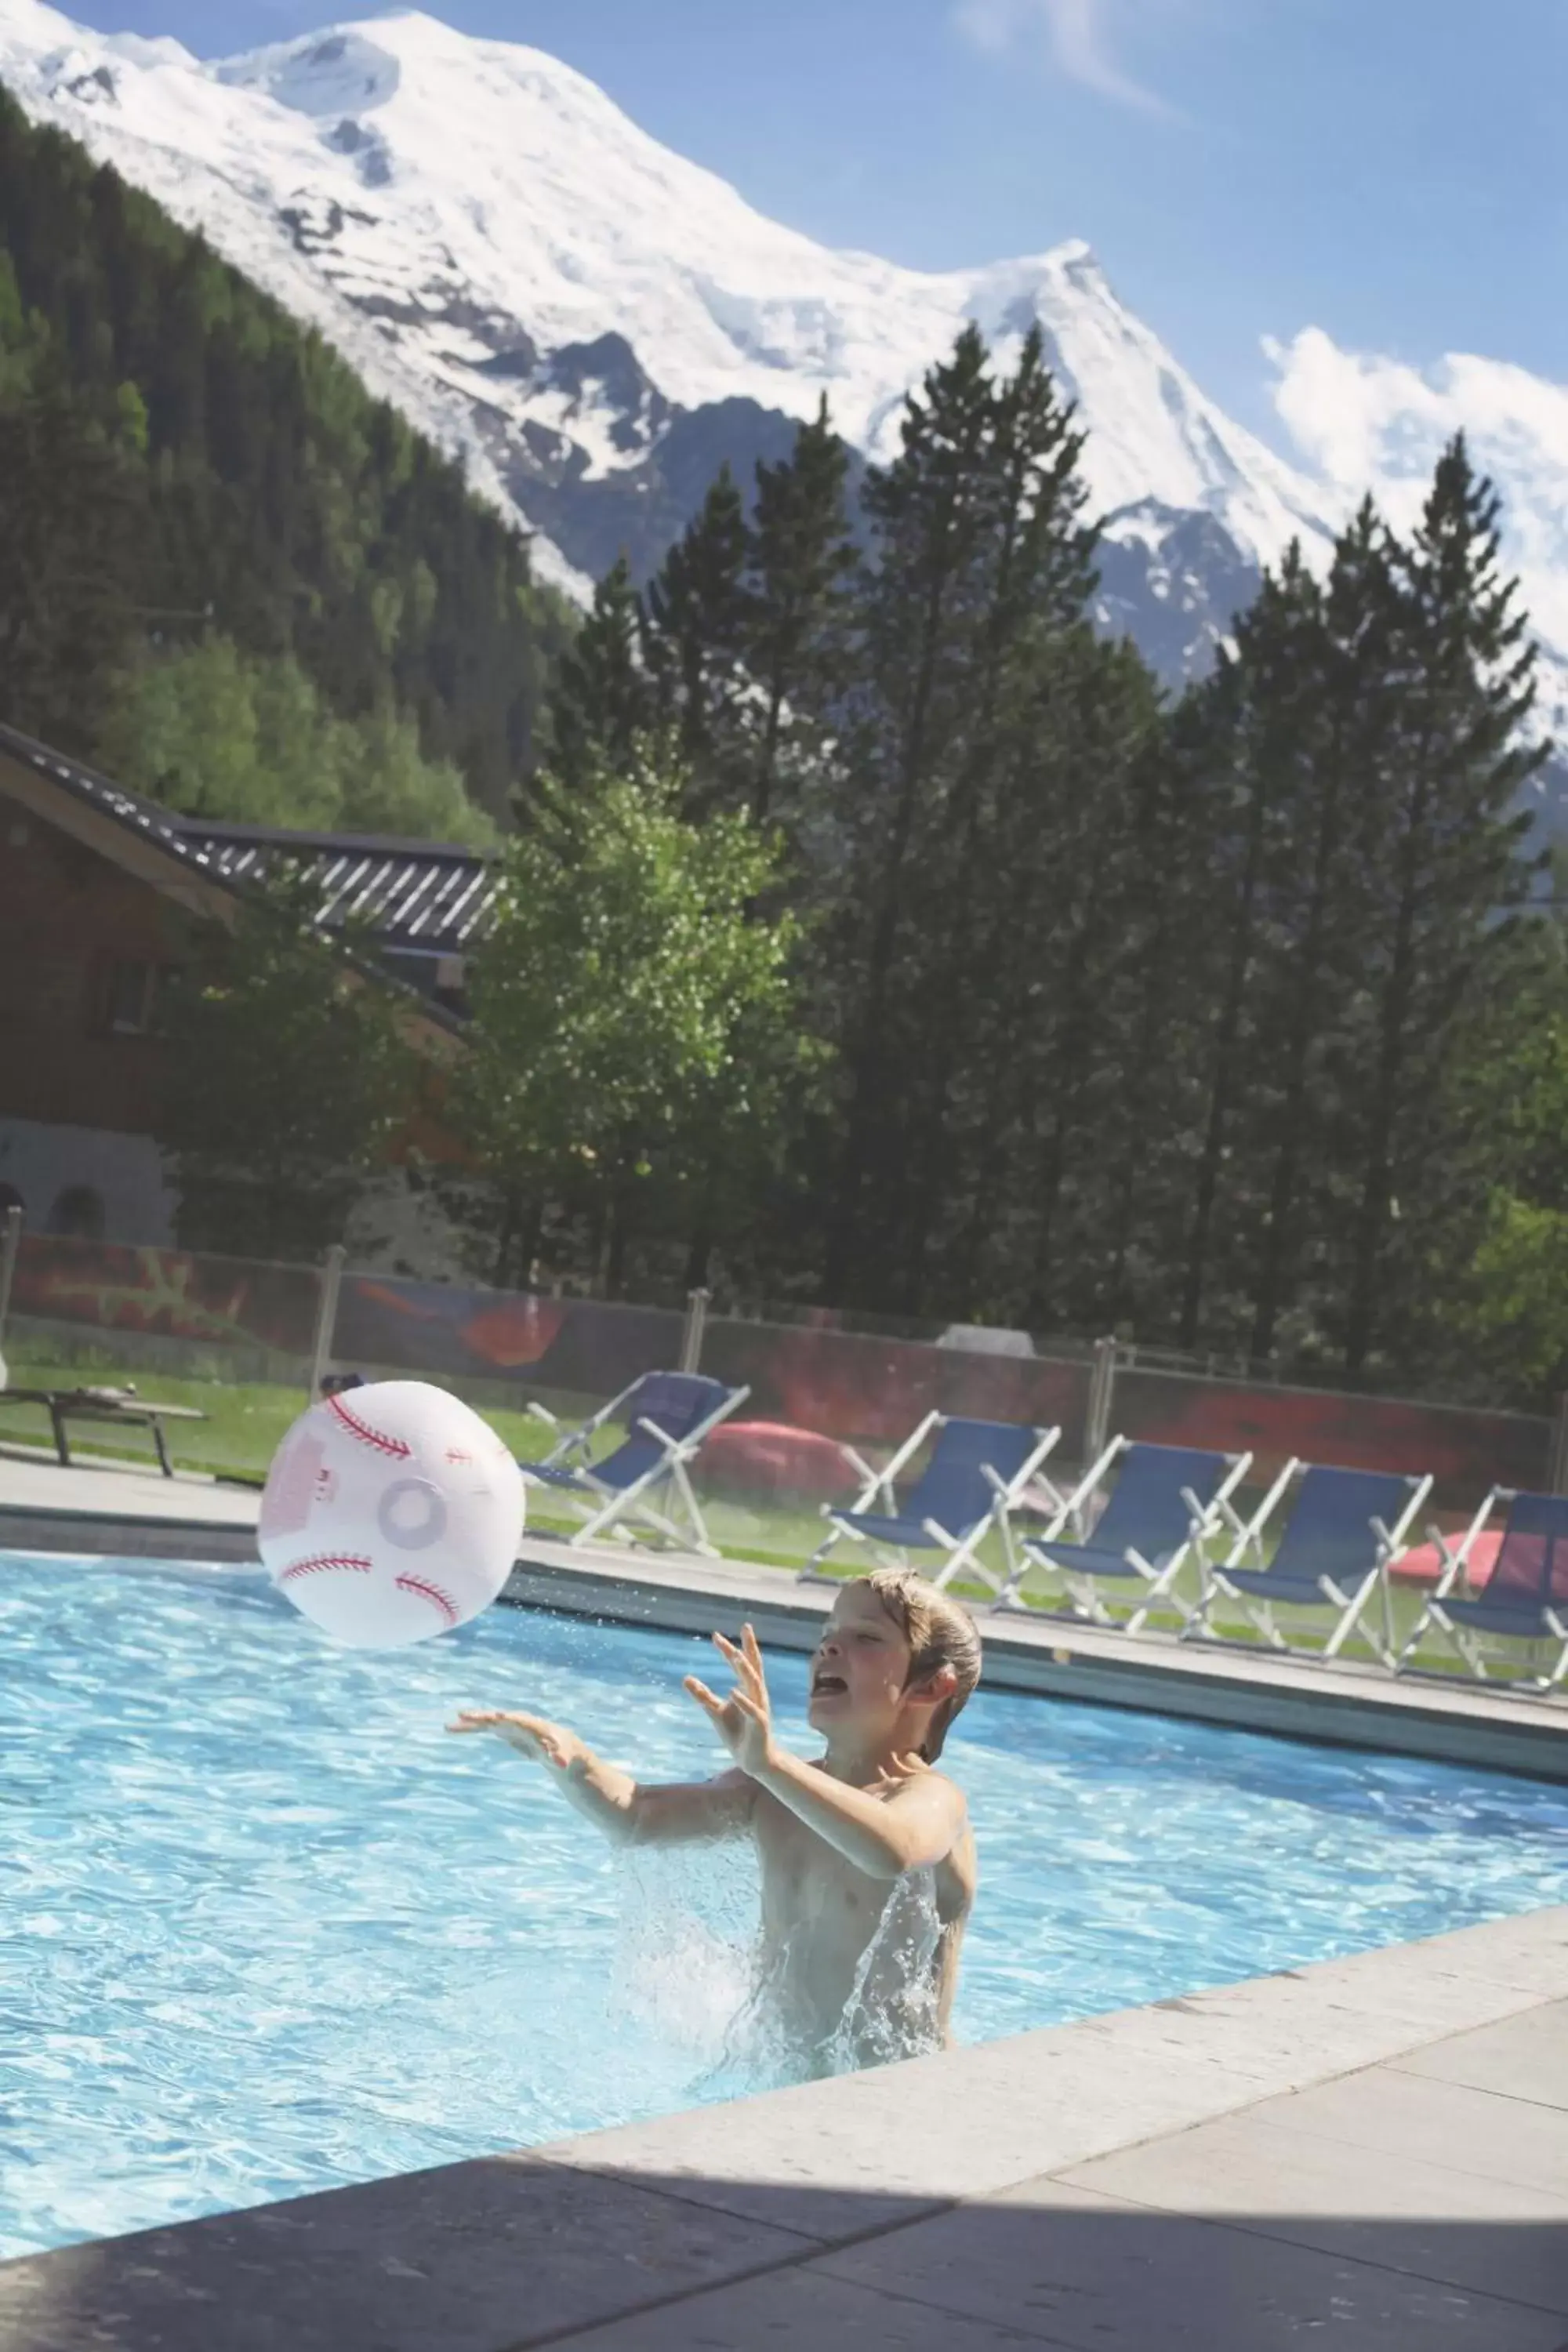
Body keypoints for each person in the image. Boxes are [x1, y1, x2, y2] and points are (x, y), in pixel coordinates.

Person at [447, 1569, 982, 2078]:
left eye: (866, 1637)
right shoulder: (767, 1790)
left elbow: (891, 1851)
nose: (830, 1647)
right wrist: (567, 1756)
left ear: (931, 1687)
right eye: (828, 1633)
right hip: (782, 2079)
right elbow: (639, 1817)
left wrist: (771, 1764)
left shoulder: (932, 1799)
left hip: (899, 2091)